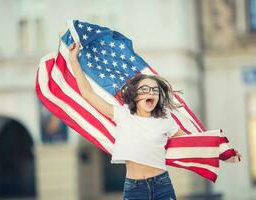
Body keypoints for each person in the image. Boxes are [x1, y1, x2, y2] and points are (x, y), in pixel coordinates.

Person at [68, 42, 242, 200]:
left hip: (162, 186)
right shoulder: (122, 114)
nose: (151, 93)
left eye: (155, 90)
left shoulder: (166, 120)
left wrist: (225, 155)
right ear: (136, 95)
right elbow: (88, 94)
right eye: (145, 89)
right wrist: (74, 59)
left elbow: (193, 144)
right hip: (134, 189)